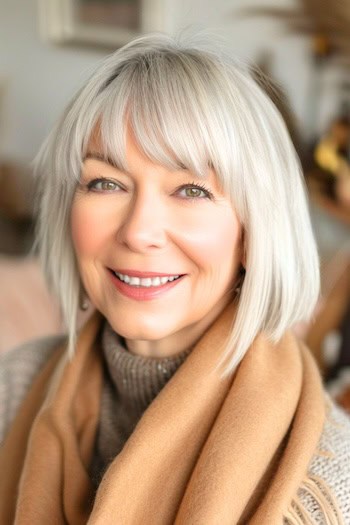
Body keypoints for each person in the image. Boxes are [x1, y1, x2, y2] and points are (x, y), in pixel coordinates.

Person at [0, 33, 349, 524]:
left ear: (253, 231)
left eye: (190, 189)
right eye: (106, 183)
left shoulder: (325, 484)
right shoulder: (14, 387)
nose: (139, 231)